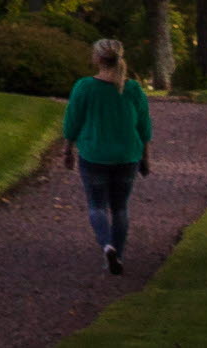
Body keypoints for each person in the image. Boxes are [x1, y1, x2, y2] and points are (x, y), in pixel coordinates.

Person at [60, 36, 157, 273]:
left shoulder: (85, 87)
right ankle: (118, 256)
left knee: (97, 206)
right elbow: (144, 126)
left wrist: (68, 149)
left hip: (94, 154)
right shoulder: (132, 88)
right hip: (127, 156)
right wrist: (146, 156)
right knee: (120, 208)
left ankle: (107, 245)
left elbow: (73, 121)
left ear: (97, 58)